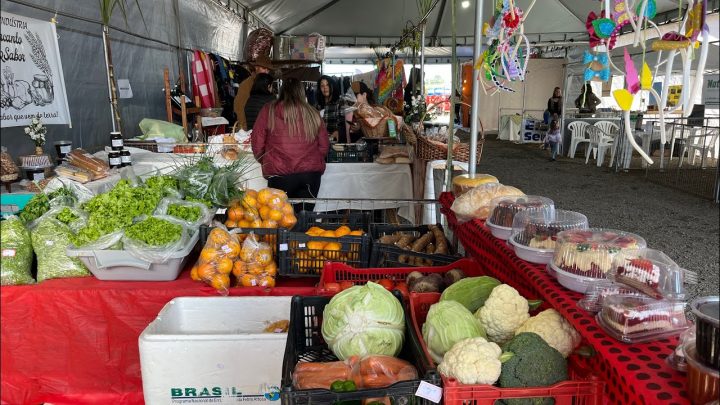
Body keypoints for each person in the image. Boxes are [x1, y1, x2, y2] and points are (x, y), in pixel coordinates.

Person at [251, 78, 329, 209]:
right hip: (310, 176)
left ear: (282, 91)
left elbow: (257, 143)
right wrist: (311, 159)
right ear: (302, 92)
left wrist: (267, 160)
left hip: (279, 175)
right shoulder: (313, 112)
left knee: (279, 220)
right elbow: (324, 146)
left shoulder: (268, 110)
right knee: (304, 219)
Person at [233, 55, 273, 130]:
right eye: (264, 68)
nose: (266, 72)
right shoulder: (246, 84)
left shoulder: (267, 83)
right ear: (256, 68)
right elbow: (239, 107)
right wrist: (245, 129)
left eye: (268, 70)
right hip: (248, 129)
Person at [315, 75, 343, 142]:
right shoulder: (318, 106)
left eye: (327, 85)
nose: (325, 88)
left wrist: (337, 131)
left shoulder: (340, 102)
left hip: (335, 143)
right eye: (322, 86)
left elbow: (343, 123)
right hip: (321, 142)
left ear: (332, 86)